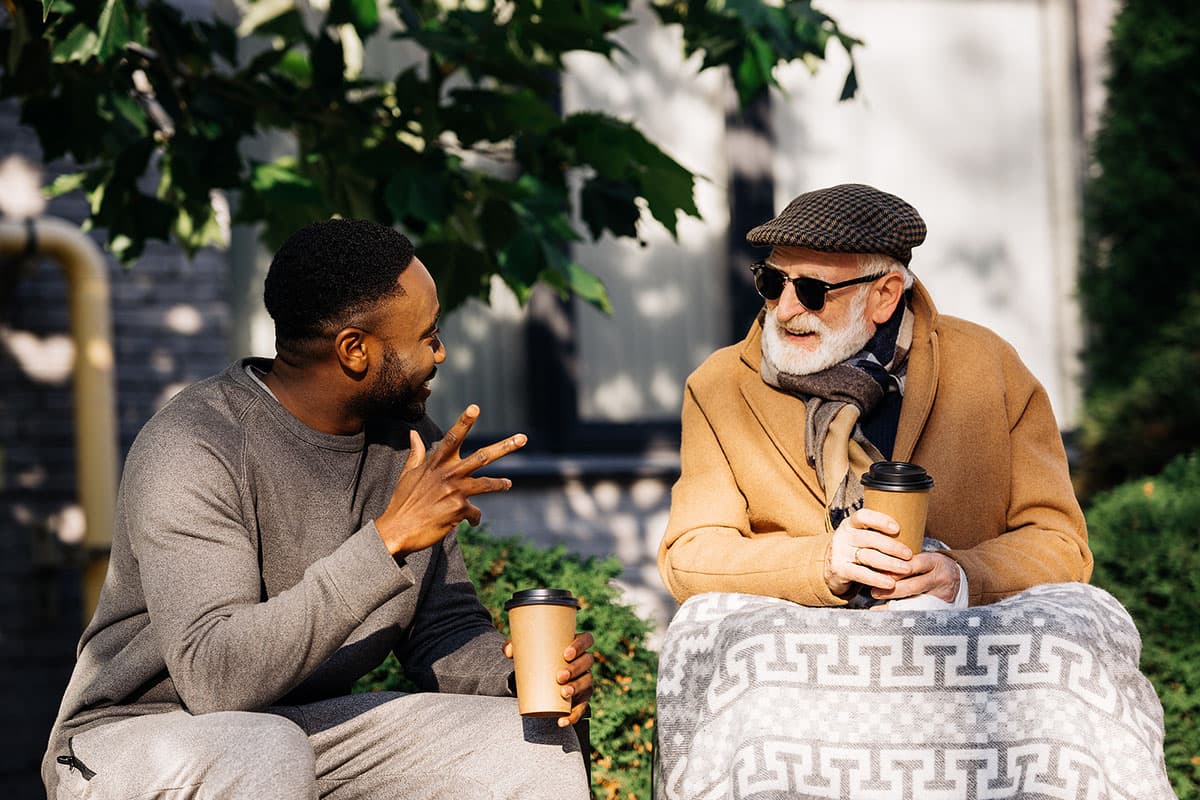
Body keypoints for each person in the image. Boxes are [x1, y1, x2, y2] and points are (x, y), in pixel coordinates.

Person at [42, 219, 594, 799]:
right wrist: (387, 541)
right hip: (139, 739)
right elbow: (215, 676)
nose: (441, 352)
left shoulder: (405, 444)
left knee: (526, 743)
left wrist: (522, 679)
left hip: (299, 732)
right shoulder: (195, 443)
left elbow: (442, 628)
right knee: (262, 748)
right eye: (427, 335)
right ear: (354, 350)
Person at [658, 183, 1092, 609]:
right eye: (772, 282)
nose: (786, 309)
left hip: (960, 668)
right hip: (796, 672)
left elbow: (1060, 542)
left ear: (884, 295)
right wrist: (822, 563)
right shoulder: (720, 384)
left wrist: (963, 576)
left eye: (812, 291)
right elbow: (689, 554)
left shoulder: (990, 367)